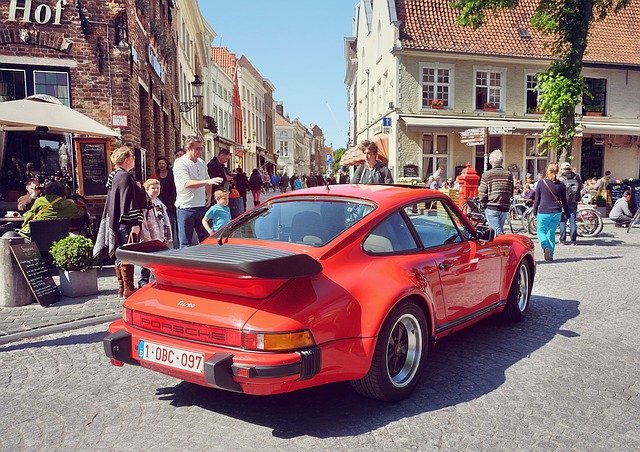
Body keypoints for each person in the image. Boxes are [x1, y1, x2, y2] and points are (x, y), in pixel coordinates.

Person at [93, 146, 146, 297]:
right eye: (132, 157)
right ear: (127, 159)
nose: (134, 160)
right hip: (127, 223)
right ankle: (128, 288)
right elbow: (129, 201)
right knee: (126, 254)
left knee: (120, 254)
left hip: (118, 222)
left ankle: (122, 288)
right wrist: (135, 223)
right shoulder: (125, 176)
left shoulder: (115, 175)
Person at [173, 136, 223, 248]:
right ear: (188, 148)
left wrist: (209, 195)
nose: (200, 151)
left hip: (201, 206)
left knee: (206, 240)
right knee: (186, 242)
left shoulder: (201, 162)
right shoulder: (180, 163)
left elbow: (208, 180)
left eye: (201, 148)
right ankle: (185, 264)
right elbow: (186, 183)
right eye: (197, 148)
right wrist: (207, 181)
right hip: (186, 207)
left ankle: (205, 263)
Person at [138, 178, 172, 287]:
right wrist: (145, 236)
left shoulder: (159, 202)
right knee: (147, 258)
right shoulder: (145, 203)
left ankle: (156, 278)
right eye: (153, 188)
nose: (156, 190)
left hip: (160, 233)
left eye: (158, 188)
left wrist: (167, 234)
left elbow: (164, 218)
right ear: (147, 189)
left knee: (158, 257)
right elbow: (143, 221)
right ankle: (143, 279)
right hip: (150, 233)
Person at [533, 163, 569, 262]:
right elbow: (564, 201)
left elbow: (537, 200)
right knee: (551, 232)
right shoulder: (561, 185)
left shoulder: (541, 183)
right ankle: (551, 254)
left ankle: (545, 246)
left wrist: (534, 211)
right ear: (557, 171)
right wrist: (567, 213)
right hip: (556, 212)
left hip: (543, 211)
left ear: (547, 170)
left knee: (541, 231)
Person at [478, 149, 514, 234]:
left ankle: (503, 246)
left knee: (497, 233)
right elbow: (511, 191)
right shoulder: (509, 174)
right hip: (504, 207)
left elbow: (482, 193)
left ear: (490, 162)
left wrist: (483, 205)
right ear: (502, 161)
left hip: (492, 207)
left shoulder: (486, 174)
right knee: (498, 230)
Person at [152, 156, 177, 248]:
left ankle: (172, 242)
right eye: (159, 164)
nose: (161, 165)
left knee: (171, 222)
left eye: (163, 163)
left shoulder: (171, 174)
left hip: (171, 202)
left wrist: (173, 202)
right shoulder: (156, 174)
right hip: (159, 202)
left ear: (166, 164)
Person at [558, 161, 583, 246]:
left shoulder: (561, 178)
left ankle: (562, 239)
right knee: (572, 220)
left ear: (562, 169)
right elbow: (580, 187)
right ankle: (573, 240)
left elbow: (559, 190)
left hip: (564, 201)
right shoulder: (576, 177)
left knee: (562, 221)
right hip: (574, 201)